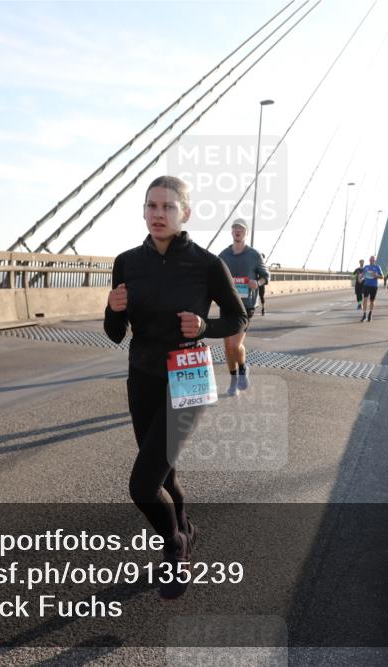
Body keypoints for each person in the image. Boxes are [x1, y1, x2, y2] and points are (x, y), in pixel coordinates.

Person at [104, 175, 247, 599]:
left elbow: (238, 319)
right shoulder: (127, 261)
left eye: (168, 207)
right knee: (162, 471)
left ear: (185, 213)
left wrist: (205, 325)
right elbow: (114, 333)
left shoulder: (206, 264)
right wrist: (111, 310)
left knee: (142, 485)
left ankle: (175, 546)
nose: (158, 214)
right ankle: (185, 523)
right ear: (143, 211)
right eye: (151, 206)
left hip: (187, 373)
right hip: (143, 374)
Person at [218, 219, 269, 396]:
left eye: (241, 229)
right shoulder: (223, 255)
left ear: (245, 233)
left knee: (235, 344)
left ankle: (243, 368)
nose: (237, 232)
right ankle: (233, 381)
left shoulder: (254, 255)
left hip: (246, 306)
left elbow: (266, 276)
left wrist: (258, 282)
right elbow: (215, 277)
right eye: (235, 229)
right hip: (227, 304)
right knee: (227, 347)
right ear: (231, 232)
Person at [357, 255, 382, 322]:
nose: (371, 261)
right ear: (369, 260)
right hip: (366, 285)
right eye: (370, 260)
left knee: (372, 301)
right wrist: (360, 278)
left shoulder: (377, 267)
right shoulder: (366, 267)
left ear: (374, 260)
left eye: (372, 260)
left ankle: (370, 314)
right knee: (365, 299)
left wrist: (376, 275)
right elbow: (362, 275)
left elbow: (382, 276)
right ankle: (364, 315)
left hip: (374, 286)